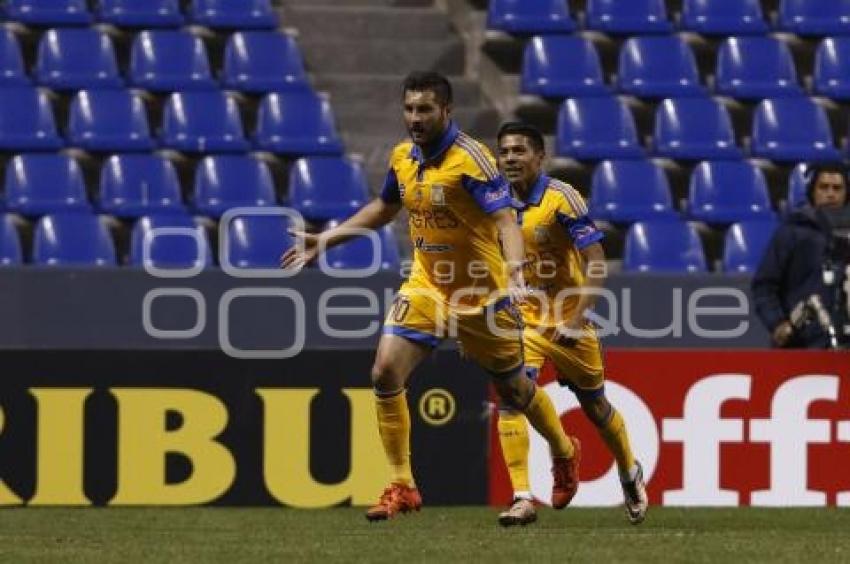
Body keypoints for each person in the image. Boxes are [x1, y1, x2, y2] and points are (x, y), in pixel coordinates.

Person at [280, 72, 580, 521]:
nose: (414, 118)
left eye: (424, 109)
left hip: (481, 294)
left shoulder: (473, 161)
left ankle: (563, 449)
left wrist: (516, 271)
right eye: (409, 109)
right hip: (425, 286)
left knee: (516, 391)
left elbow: (505, 223)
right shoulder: (404, 158)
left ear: (446, 111)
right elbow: (384, 208)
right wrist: (326, 241)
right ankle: (402, 485)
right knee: (384, 372)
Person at [493, 122, 648, 526]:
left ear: (539, 157)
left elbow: (597, 263)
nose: (510, 158)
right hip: (524, 320)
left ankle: (629, 471)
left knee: (596, 408)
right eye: (504, 151)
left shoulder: (562, 198)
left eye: (519, 151)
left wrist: (578, 319)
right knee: (511, 395)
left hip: (568, 321)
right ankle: (523, 496)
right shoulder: (493, 202)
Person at [753, 163, 849, 349]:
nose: (830, 194)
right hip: (803, 344)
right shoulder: (792, 232)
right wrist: (777, 323)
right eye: (823, 187)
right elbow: (764, 286)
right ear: (812, 191)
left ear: (847, 193)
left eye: (837, 188)